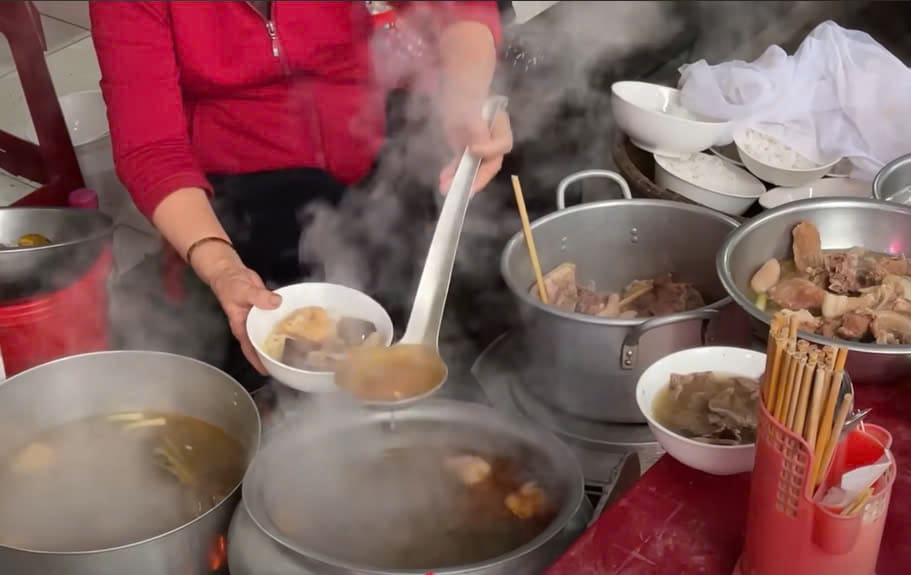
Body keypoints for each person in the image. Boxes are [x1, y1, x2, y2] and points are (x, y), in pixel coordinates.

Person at [89, 1, 513, 388]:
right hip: (230, 201)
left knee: (475, 291)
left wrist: (464, 99)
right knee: (263, 370)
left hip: (367, 152)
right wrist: (221, 265)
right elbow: (151, 148)